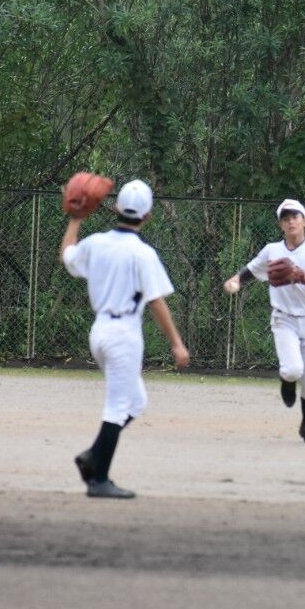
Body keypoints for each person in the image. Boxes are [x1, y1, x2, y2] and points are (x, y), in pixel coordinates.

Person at [60, 179, 190, 498]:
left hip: (100, 332)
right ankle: (99, 479)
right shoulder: (143, 254)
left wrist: (75, 219)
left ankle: (93, 455)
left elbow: (67, 255)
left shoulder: (95, 243)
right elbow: (156, 300)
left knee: (137, 402)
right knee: (118, 407)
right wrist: (176, 342)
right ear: (148, 216)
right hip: (124, 335)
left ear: (116, 209)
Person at [223, 198, 305, 443]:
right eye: (285, 218)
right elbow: (252, 270)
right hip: (283, 318)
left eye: (295, 216)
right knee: (292, 369)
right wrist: (235, 280)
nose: (291, 221)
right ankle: (287, 382)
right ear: (281, 225)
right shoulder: (272, 250)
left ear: (304, 220)